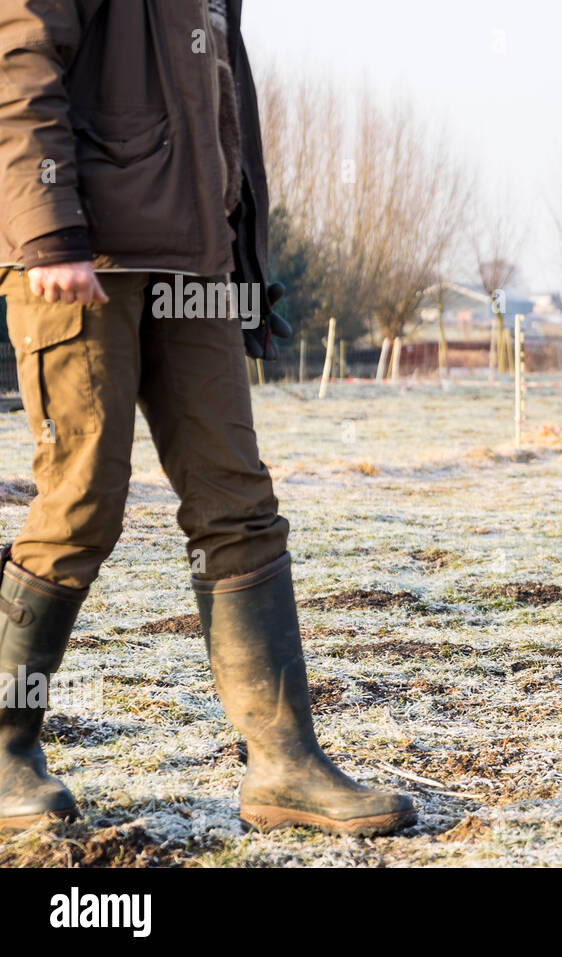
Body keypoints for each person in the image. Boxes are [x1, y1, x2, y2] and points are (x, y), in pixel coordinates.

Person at [0, 0, 415, 836]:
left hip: (197, 261)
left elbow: (222, 116)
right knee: (80, 504)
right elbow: (19, 60)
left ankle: (285, 763)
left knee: (239, 504)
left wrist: (246, 267)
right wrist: (47, 234)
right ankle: (4, 743)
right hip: (84, 257)